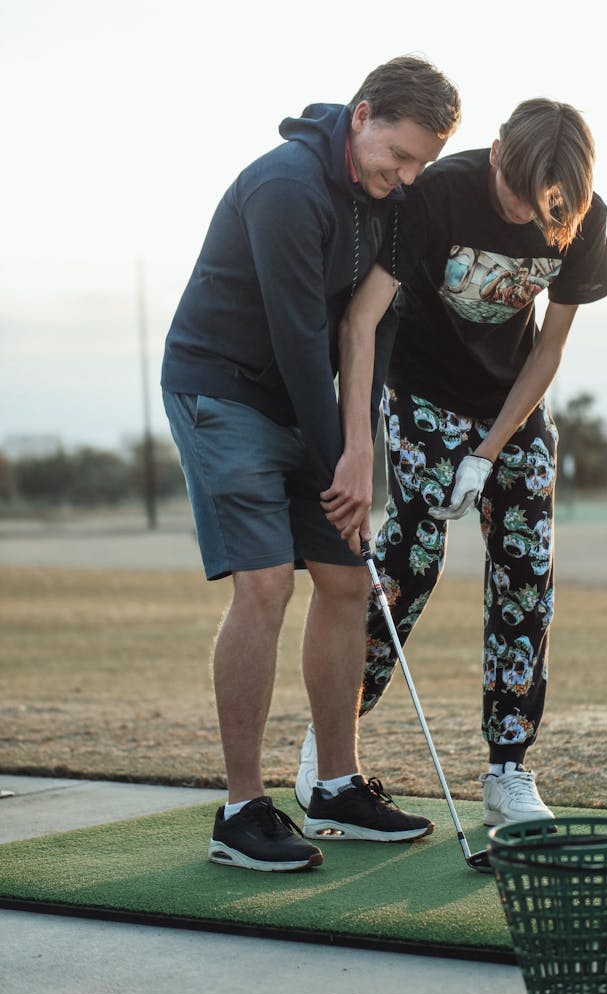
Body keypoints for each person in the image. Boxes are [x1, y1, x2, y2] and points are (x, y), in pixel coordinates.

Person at [161, 56, 461, 873]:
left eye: (419, 165)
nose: (402, 178)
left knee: (345, 580)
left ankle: (335, 786)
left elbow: (373, 330)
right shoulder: (286, 187)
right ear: (361, 115)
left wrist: (358, 456)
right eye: (395, 156)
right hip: (223, 390)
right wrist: (341, 466)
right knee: (266, 583)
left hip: (304, 401)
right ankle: (240, 810)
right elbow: (301, 342)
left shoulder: (391, 201)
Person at [295, 98, 607, 832]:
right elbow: (362, 318)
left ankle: (509, 769)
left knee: (526, 573)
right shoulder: (437, 193)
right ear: (497, 150)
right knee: (412, 562)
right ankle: (329, 746)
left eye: (540, 204)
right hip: (425, 393)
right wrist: (363, 438)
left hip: (513, 405)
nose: (521, 209)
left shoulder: (584, 214)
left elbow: (549, 350)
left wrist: (490, 451)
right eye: (513, 190)